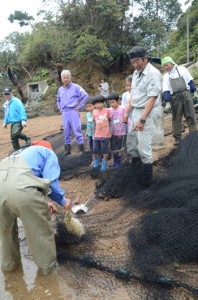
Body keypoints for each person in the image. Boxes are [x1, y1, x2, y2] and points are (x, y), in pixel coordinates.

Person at [0, 141, 72, 275]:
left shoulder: (19, 154)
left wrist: (45, 202)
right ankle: (48, 274)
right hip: (21, 190)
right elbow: (51, 182)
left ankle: (10, 269)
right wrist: (63, 200)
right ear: (48, 147)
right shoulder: (47, 152)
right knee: (40, 232)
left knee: (5, 234)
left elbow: (25, 181)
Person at [124, 46, 162, 185]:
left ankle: (147, 181)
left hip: (148, 112)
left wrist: (142, 119)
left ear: (145, 59)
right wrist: (127, 112)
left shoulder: (154, 73)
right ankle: (136, 172)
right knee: (132, 143)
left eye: (137, 61)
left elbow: (152, 99)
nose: (135, 65)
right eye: (132, 62)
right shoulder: (135, 73)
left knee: (144, 147)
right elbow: (133, 95)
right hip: (136, 111)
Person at [162, 56, 197, 146]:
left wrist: (194, 91)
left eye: (167, 65)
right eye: (164, 66)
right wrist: (167, 102)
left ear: (172, 63)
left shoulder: (182, 70)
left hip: (186, 95)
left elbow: (190, 81)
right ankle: (178, 139)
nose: (166, 67)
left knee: (190, 115)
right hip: (175, 97)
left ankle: (193, 136)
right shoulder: (166, 76)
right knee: (176, 118)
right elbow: (166, 89)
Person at [56, 70, 88, 155]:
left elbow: (85, 96)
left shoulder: (76, 87)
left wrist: (80, 106)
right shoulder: (60, 89)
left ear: (70, 78)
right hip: (64, 112)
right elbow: (58, 100)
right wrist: (60, 108)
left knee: (77, 129)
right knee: (66, 131)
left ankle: (81, 149)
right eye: (64, 78)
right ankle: (67, 149)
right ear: (61, 79)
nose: (65, 79)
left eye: (67, 77)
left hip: (73, 111)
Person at [92, 95, 112, 172]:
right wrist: (93, 134)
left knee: (105, 150)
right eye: (96, 104)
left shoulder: (107, 110)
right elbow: (94, 123)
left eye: (99, 103)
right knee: (95, 150)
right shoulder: (94, 111)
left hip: (105, 135)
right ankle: (96, 163)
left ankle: (104, 164)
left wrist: (110, 132)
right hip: (97, 135)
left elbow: (111, 122)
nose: (97, 105)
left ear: (103, 103)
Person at [108, 93, 126, 168]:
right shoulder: (109, 110)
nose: (111, 104)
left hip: (121, 132)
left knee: (119, 148)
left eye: (113, 102)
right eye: (110, 102)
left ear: (118, 101)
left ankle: (119, 162)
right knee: (113, 148)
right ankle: (115, 161)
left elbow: (127, 118)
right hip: (112, 133)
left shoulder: (122, 108)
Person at [85, 96, 95, 166]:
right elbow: (88, 123)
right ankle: (94, 159)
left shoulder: (96, 113)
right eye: (87, 107)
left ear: (94, 105)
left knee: (97, 146)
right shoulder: (88, 114)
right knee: (91, 147)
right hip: (90, 133)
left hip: (96, 134)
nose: (89, 108)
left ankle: (99, 159)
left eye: (90, 106)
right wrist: (86, 132)